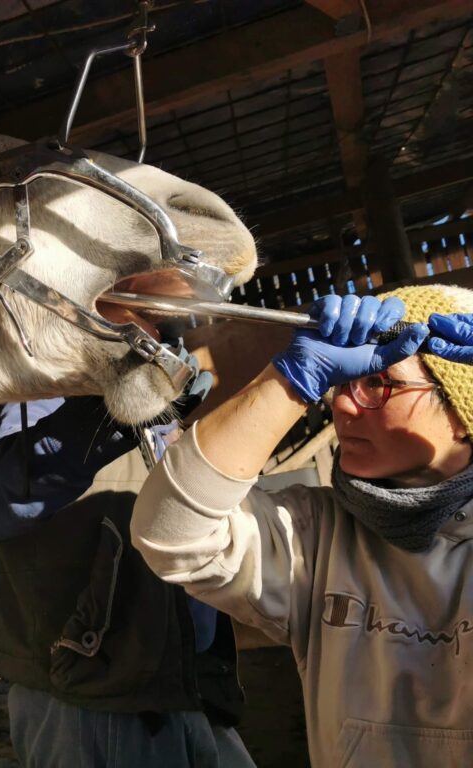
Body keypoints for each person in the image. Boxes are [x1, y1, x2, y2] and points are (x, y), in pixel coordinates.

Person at [131, 284, 473, 768]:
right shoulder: (315, 535)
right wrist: (290, 381)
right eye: (341, 380)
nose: (344, 405)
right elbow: (171, 534)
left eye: (378, 382)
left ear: (463, 414)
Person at [0, 348, 257, 768]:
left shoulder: (158, 398)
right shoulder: (41, 396)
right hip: (91, 700)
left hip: (183, 682)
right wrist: (103, 420)